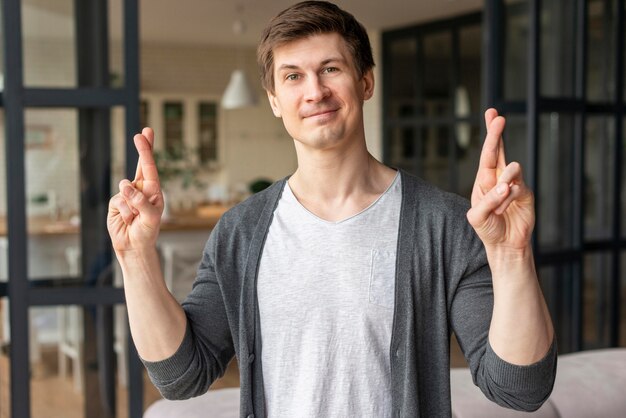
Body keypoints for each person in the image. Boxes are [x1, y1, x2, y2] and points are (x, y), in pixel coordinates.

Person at [107, 1, 556, 417]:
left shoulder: (442, 225)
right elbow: (182, 377)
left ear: (365, 81)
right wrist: (136, 257)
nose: (315, 91)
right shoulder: (241, 231)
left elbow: (520, 387)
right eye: (293, 76)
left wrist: (512, 254)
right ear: (274, 101)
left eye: (330, 69)